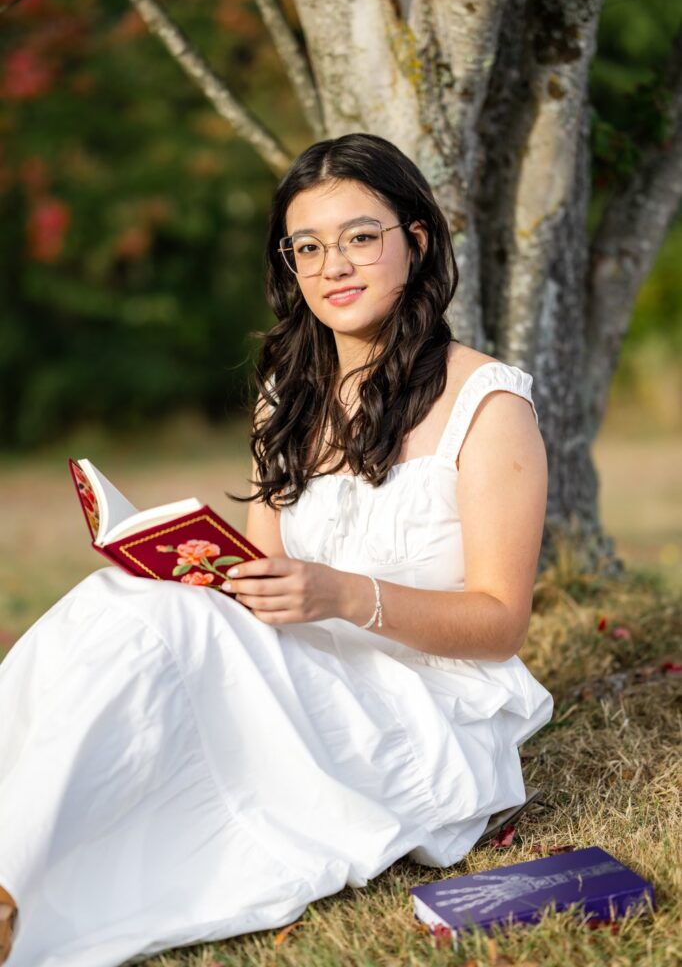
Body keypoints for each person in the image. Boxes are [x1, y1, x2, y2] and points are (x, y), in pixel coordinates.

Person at [0, 132, 553, 966]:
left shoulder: (488, 404)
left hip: (426, 709)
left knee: (159, 625)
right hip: (303, 672)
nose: (335, 265)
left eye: (360, 236)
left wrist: (343, 595)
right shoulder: (285, 395)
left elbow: (501, 623)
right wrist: (193, 569)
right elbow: (261, 575)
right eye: (309, 247)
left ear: (416, 241)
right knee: (122, 599)